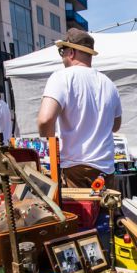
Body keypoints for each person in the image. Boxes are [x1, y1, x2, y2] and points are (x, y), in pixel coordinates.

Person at [37, 28, 122, 189]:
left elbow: (45, 119)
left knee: (78, 214)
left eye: (62, 51)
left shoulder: (61, 77)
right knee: (105, 213)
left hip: (74, 169)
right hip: (105, 169)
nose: (62, 56)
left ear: (71, 52)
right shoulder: (109, 84)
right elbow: (116, 126)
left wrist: (51, 149)